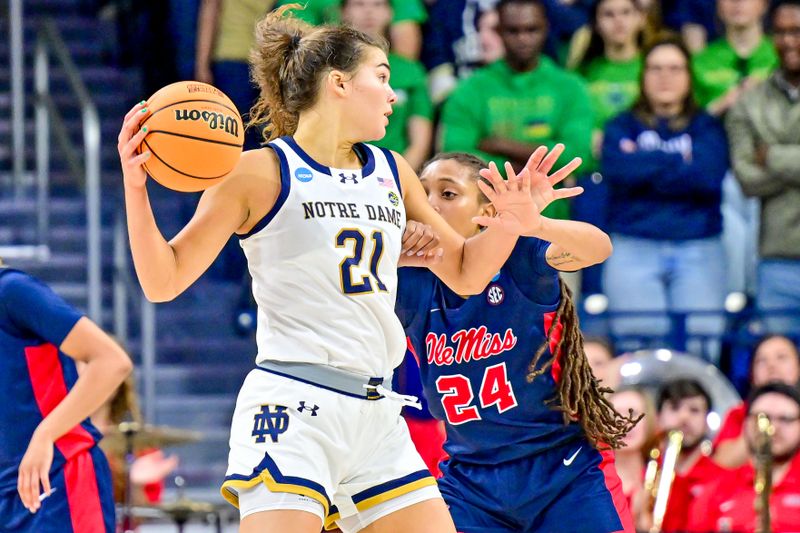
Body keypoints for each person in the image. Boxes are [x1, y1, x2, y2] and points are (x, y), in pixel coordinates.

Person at [116, 6, 583, 532]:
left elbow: (468, 273)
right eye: (381, 78)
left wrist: (511, 224)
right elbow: (164, 280)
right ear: (338, 83)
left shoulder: (392, 169)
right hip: (295, 404)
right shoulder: (256, 172)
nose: (393, 94)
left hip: (377, 412)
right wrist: (137, 189)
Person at [395, 152, 638, 532]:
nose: (428, 205)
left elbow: (598, 248)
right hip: (472, 482)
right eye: (421, 193)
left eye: (447, 194)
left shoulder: (520, 256)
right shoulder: (411, 280)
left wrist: (536, 224)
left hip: (562, 471)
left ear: (487, 210)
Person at [600, 36, 729, 357]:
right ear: (642, 77)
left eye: (675, 68)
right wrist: (678, 163)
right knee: (638, 354)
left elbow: (708, 177)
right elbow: (618, 171)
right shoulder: (619, 126)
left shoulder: (708, 127)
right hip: (633, 244)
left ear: (689, 76)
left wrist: (644, 163)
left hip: (699, 246)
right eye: (655, 68)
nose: (665, 77)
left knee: (701, 351)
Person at [0, 263, 132, 531]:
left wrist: (45, 433)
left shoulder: (13, 291)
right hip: (10, 494)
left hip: (61, 484)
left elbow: (112, 361)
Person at [440, 0, 594, 221]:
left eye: (532, 29)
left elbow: (577, 155)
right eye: (513, 31)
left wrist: (499, 145)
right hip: (486, 222)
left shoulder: (571, 87)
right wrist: (532, 172)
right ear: (499, 31)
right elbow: (456, 156)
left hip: (552, 222)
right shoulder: (471, 89)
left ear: (546, 28)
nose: (523, 39)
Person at [727, 0, 800, 336]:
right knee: (778, 370)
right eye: (781, 32)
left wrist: (772, 157)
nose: (789, 41)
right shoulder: (748, 103)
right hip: (777, 258)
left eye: (797, 32)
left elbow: (760, 169)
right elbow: (746, 179)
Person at [687, 382, 800, 532]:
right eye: (762, 418)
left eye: (785, 419)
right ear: (745, 424)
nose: (772, 428)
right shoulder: (713, 492)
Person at [341, 0, 433, 171]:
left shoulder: (411, 72)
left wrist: (396, 177)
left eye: (378, 4)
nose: (369, 12)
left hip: (394, 173)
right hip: (338, 171)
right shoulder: (330, 68)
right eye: (359, 4)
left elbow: (420, 143)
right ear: (344, 11)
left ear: (391, 13)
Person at [640, 378, 721, 533]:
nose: (684, 417)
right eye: (674, 408)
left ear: (706, 423)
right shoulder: (641, 472)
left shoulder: (721, 479)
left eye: (694, 410)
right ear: (657, 418)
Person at [714, 334, 800, 468]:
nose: (771, 366)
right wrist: (756, 421)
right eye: (761, 360)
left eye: (781, 357)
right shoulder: (739, 414)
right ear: (752, 374)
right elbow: (722, 464)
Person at [608, 387, 658, 519]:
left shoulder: (664, 482)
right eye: (615, 414)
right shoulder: (589, 482)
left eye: (633, 413)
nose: (625, 422)